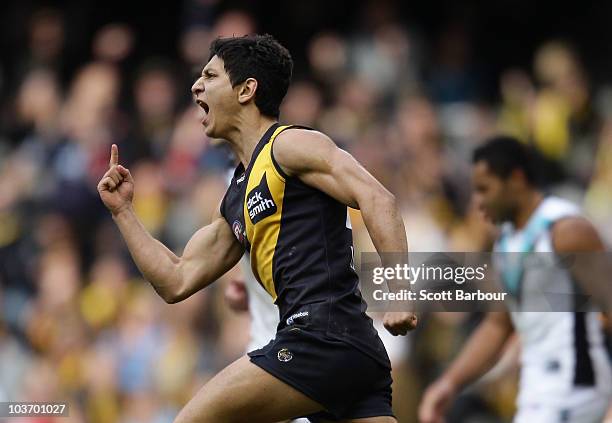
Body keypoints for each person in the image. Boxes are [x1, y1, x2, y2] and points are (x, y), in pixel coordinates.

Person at [97, 34, 417, 423]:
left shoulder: (290, 145)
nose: (196, 86)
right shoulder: (234, 197)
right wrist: (123, 213)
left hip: (320, 339)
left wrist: (399, 292)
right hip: (350, 353)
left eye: (210, 76)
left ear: (247, 89)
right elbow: (176, 280)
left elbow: (379, 199)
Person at [418, 136, 612, 423]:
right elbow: (499, 323)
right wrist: (450, 382)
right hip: (538, 391)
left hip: (576, 386)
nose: (478, 201)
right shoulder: (507, 242)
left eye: (485, 189)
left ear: (517, 180)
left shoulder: (566, 229)